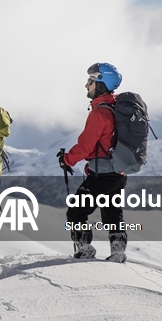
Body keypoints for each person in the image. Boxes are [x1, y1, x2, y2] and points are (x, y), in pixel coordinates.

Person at [59, 62, 129, 263]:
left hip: (100, 175)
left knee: (76, 212)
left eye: (90, 81)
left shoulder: (100, 113)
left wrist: (67, 159)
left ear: (100, 84)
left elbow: (86, 145)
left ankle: (85, 249)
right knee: (112, 214)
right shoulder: (116, 108)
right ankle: (118, 252)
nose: (86, 85)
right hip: (118, 174)